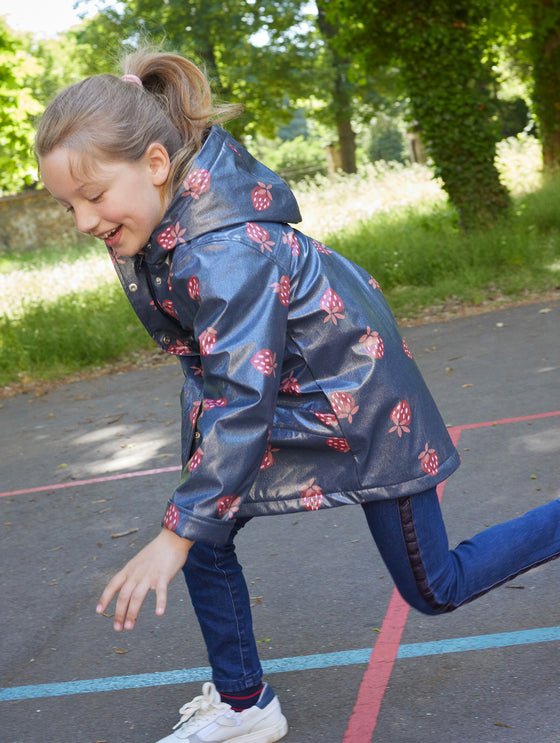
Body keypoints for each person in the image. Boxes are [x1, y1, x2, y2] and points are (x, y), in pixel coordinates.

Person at [35, 50, 560, 743]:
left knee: (435, 587)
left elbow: (240, 398)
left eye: (93, 196)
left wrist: (174, 530)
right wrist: (188, 520)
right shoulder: (164, 223)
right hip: (292, 396)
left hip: (361, 406)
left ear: (157, 165)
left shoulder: (225, 250)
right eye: (68, 204)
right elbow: (221, 369)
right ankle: (246, 703)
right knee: (204, 532)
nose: (81, 220)